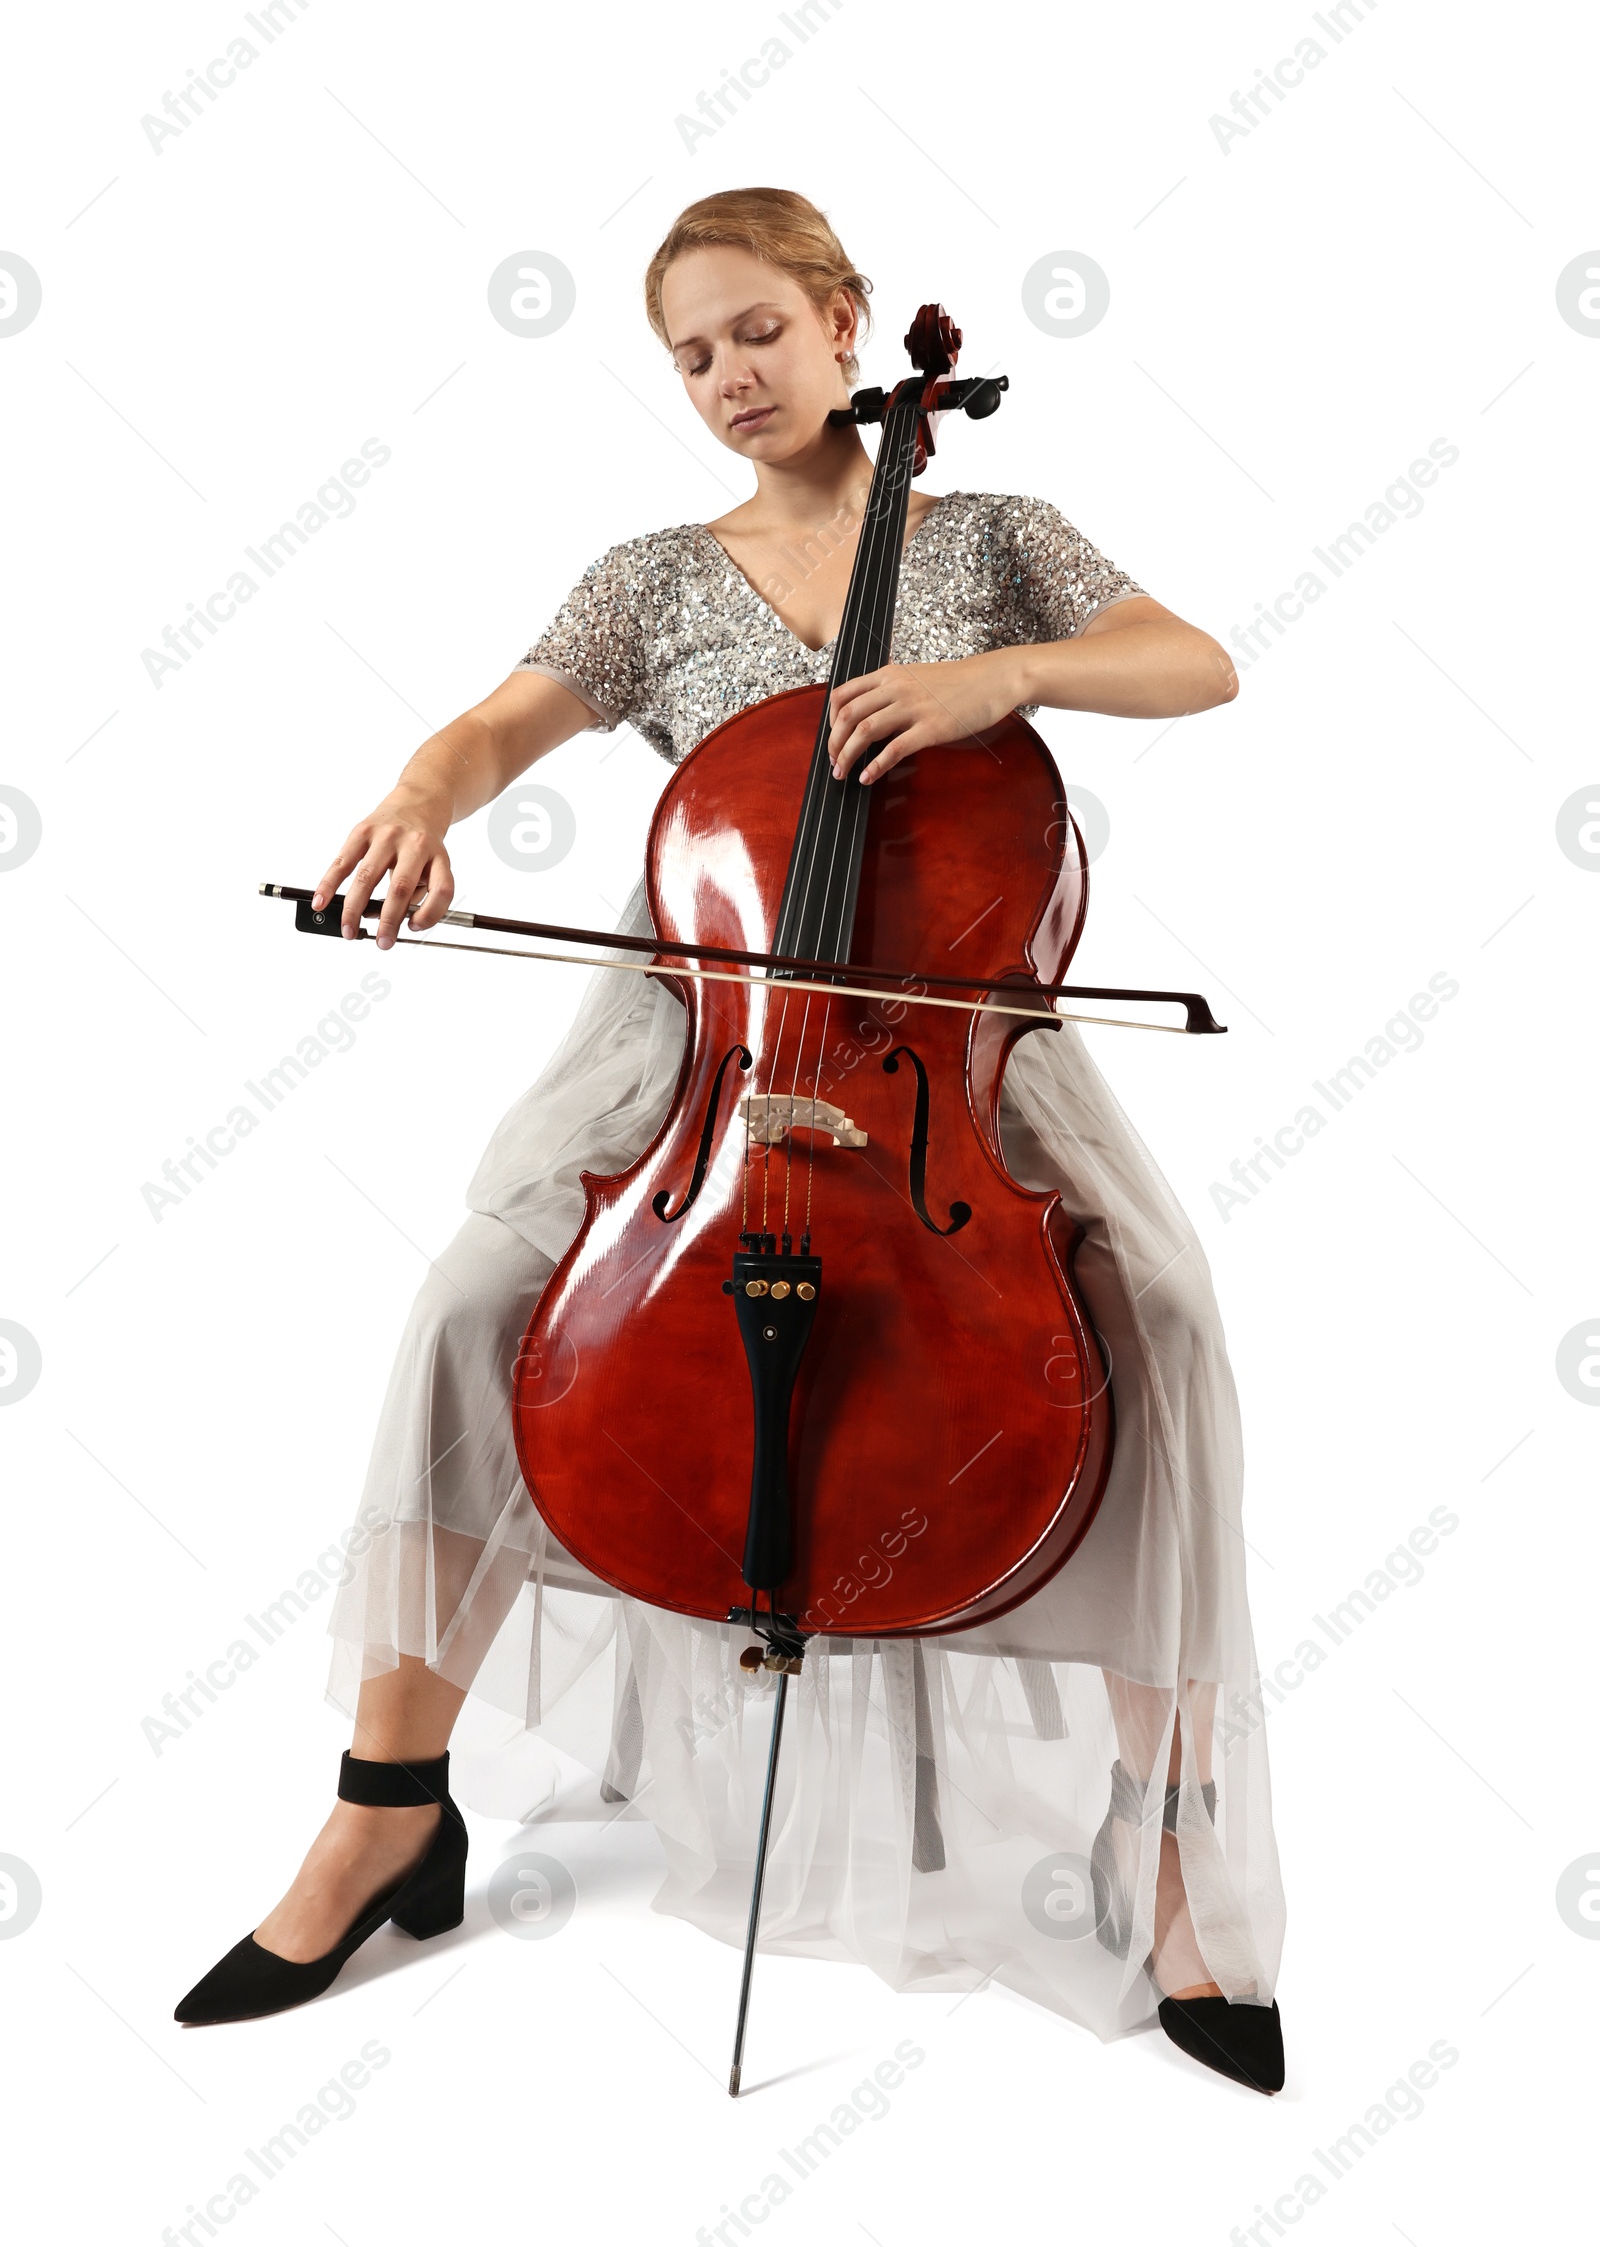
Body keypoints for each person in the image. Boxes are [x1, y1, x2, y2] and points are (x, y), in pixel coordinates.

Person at [176, 187, 1286, 2093]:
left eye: (756, 331)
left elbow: (1200, 661)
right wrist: (416, 802)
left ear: (849, 322)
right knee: (469, 1305)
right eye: (690, 355)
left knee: (1163, 1327)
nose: (725, 378)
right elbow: (487, 732)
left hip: (947, 1044)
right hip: (698, 1043)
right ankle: (387, 1802)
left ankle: (1171, 1834)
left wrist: (1003, 675)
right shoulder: (647, 579)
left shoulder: (992, 539)